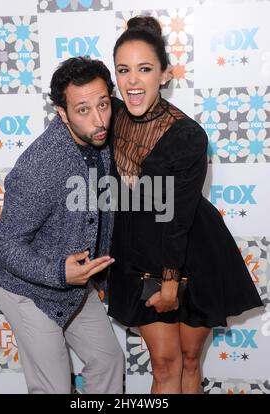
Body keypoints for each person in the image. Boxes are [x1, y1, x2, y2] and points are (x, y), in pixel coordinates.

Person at [107, 16, 264, 394]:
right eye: (123, 70)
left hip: (193, 252)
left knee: (190, 361)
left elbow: (177, 219)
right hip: (139, 255)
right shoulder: (108, 114)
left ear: (164, 74)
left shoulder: (189, 136)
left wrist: (171, 282)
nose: (132, 81)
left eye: (144, 69)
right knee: (165, 365)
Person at [0, 56, 124, 394]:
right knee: (54, 388)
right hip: (28, 292)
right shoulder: (40, 167)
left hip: (76, 284)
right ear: (62, 112)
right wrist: (59, 274)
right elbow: (3, 247)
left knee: (109, 361)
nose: (98, 120)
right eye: (83, 110)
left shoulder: (102, 132)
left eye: (104, 104)